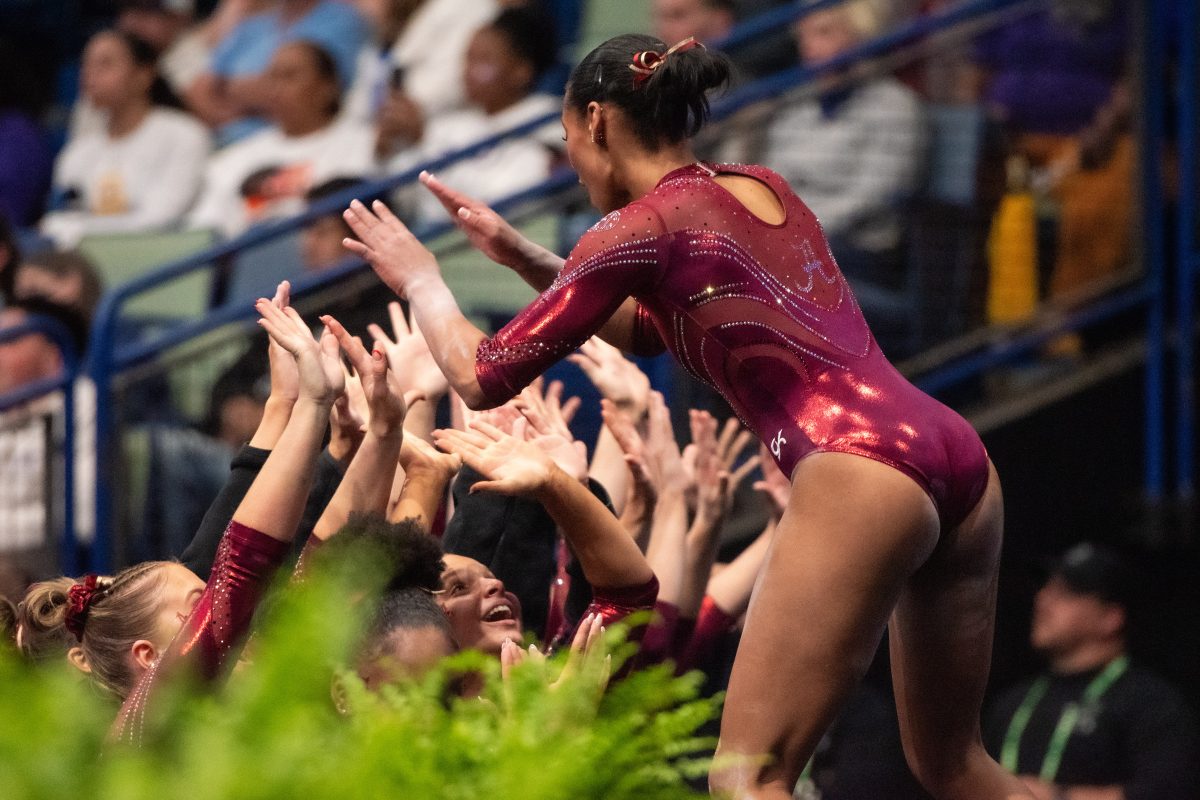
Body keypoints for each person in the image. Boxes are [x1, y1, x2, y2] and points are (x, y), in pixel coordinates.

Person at [341, 31, 1033, 800]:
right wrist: (527, 260)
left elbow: (480, 376)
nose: (573, 160)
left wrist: (423, 281)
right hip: (952, 451)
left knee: (747, 779)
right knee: (954, 765)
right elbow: (658, 324)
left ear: (597, 121)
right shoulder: (756, 184)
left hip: (857, 466)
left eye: (570, 141)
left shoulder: (636, 227)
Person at [760, 0, 928, 352]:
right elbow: (775, 179)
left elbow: (874, 196)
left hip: (864, 252)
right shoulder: (800, 103)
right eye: (804, 36)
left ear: (861, 37)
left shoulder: (895, 106)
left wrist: (796, 228)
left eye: (824, 33)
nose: (810, 48)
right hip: (798, 243)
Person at [984, 543, 1200, 800]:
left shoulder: (1152, 704)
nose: (1042, 600)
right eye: (1046, 589)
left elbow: (1167, 793)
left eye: (1067, 593)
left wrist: (1056, 797)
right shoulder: (1013, 701)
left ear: (1111, 617)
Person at [390, 7, 562, 226]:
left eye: (483, 61)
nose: (468, 71)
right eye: (468, 59)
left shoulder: (550, 121)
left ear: (521, 71)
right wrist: (389, 151)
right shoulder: (450, 124)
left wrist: (424, 141)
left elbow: (505, 204)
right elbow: (405, 200)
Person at [40, 30, 212, 248]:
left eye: (105, 64)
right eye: (86, 65)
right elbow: (57, 221)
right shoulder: (77, 152)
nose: (89, 75)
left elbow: (161, 219)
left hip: (160, 257)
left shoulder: (184, 135)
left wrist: (80, 229)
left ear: (143, 75)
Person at [189, 40, 377, 238]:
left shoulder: (367, 143)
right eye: (272, 78)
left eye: (289, 76)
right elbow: (205, 231)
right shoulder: (234, 159)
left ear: (328, 87)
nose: (276, 89)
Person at [188, 0, 368, 145]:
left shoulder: (342, 20)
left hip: (303, 144)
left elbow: (314, 91)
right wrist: (237, 113)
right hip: (225, 145)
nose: (275, 85)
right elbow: (197, 91)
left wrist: (224, 88)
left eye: (286, 75)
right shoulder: (252, 25)